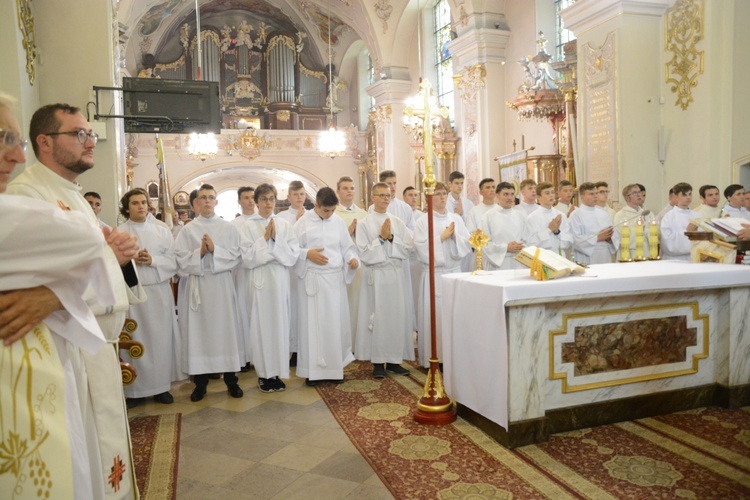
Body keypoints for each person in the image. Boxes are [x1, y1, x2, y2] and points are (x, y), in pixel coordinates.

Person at [7, 102, 143, 499]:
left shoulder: (74, 196)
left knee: (99, 458)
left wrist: (119, 250)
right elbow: (34, 285)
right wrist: (108, 256)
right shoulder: (28, 192)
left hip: (91, 349)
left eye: (91, 134)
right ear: (45, 142)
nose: (90, 141)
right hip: (62, 350)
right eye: (79, 134)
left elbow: (90, 260)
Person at [174, 184, 244, 402]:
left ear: (216, 202)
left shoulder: (228, 227)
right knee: (200, 334)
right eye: (203, 197)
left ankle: (231, 380)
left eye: (210, 197)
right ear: (196, 202)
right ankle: (201, 384)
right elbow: (179, 260)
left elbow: (236, 255)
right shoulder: (188, 230)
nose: (206, 201)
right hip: (198, 287)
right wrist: (199, 253)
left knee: (225, 332)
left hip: (221, 287)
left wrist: (215, 251)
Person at [118, 188, 182, 408]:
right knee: (135, 339)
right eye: (135, 203)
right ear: (127, 208)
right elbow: (112, 263)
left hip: (158, 292)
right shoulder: (119, 232)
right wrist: (130, 260)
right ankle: (134, 390)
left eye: (144, 202)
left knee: (160, 341)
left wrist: (152, 260)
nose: (141, 206)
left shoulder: (162, 229)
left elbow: (174, 261)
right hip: (133, 294)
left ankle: (161, 387)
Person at [294, 187, 359, 385]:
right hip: (312, 281)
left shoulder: (337, 222)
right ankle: (313, 372)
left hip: (334, 281)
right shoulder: (302, 223)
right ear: (316, 205)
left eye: (332, 211)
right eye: (325, 211)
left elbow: (347, 247)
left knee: (335, 324)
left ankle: (334, 369)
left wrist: (352, 259)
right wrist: (307, 254)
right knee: (313, 326)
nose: (329, 215)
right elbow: (290, 249)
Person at [240, 184, 300, 392]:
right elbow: (247, 259)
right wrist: (265, 239)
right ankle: (264, 375)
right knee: (262, 327)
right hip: (260, 281)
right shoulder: (248, 226)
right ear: (256, 202)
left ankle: (278, 371)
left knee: (280, 326)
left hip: (280, 280)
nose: (268, 203)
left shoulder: (284, 224)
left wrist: (275, 240)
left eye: (271, 198)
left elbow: (293, 255)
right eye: (264, 199)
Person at [355, 182, 414, 378]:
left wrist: (391, 239)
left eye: (387, 195)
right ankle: (379, 362)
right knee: (378, 318)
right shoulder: (364, 223)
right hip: (376, 276)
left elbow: (408, 248)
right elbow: (363, 253)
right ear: (373, 198)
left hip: (395, 275)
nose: (385, 198)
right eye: (380, 195)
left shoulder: (397, 221)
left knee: (396, 316)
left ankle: (395, 360)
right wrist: (380, 238)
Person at [414, 183, 470, 368]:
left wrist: (455, 238)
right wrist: (442, 238)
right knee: (435, 318)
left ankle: (453, 358)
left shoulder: (456, 219)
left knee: (454, 316)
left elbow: (466, 245)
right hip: (434, 275)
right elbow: (420, 249)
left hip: (454, 273)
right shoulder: (423, 221)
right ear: (429, 198)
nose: (442, 197)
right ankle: (434, 358)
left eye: (444, 193)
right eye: (437, 194)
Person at [334, 176, 368, 341]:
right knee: (343, 303)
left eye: (352, 188)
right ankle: (343, 341)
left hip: (360, 265)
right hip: (341, 265)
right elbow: (330, 240)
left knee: (359, 303)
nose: (349, 191)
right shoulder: (333, 213)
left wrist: (359, 233)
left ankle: (359, 341)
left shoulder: (363, 213)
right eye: (345, 188)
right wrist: (348, 232)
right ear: (338, 191)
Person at [277, 180, 306, 366]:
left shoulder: (312, 215)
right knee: (291, 310)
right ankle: (292, 349)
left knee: (303, 310)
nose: (299, 198)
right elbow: (282, 244)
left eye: (302, 194)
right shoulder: (281, 217)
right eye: (296, 194)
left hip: (306, 269)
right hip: (289, 271)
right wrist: (297, 223)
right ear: (289, 197)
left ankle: (304, 348)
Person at [230, 186, 256, 372]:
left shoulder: (261, 220)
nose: (250, 201)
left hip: (260, 271)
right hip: (241, 273)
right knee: (242, 312)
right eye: (245, 198)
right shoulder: (234, 224)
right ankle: (245, 355)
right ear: (239, 201)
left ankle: (258, 354)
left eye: (252, 197)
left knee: (257, 313)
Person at [568, 182, 619, 264]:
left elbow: (614, 236)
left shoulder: (603, 213)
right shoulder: (576, 215)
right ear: (582, 197)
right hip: (586, 257)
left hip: (605, 254)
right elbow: (575, 240)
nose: (595, 196)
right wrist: (598, 238)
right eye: (591, 194)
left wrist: (610, 238)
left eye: (596, 193)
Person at [481, 182, 527, 270]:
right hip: (498, 264)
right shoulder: (488, 217)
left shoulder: (520, 216)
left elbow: (527, 240)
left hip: (518, 263)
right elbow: (484, 244)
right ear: (497, 196)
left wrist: (520, 246)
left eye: (512, 194)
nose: (509, 198)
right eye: (506, 194)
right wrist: (506, 247)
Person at [524, 181, 572, 255]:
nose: (551, 196)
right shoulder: (532, 218)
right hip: (542, 257)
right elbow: (530, 243)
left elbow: (569, 241)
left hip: (560, 255)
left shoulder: (561, 215)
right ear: (539, 197)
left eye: (552, 192)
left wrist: (557, 232)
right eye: (547, 193)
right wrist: (549, 230)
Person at [660, 182, 702, 261]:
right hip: (674, 261)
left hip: (693, 259)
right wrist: (687, 232)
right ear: (676, 197)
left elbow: (703, 241)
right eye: (684, 195)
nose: (688, 197)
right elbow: (667, 243)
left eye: (690, 194)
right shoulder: (668, 217)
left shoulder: (697, 216)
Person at [613, 184, 655, 260]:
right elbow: (620, 237)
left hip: (646, 252)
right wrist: (640, 230)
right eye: (635, 193)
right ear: (627, 198)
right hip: (629, 253)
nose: (639, 195)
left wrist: (645, 231)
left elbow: (655, 234)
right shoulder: (620, 215)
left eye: (639, 192)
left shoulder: (648, 214)